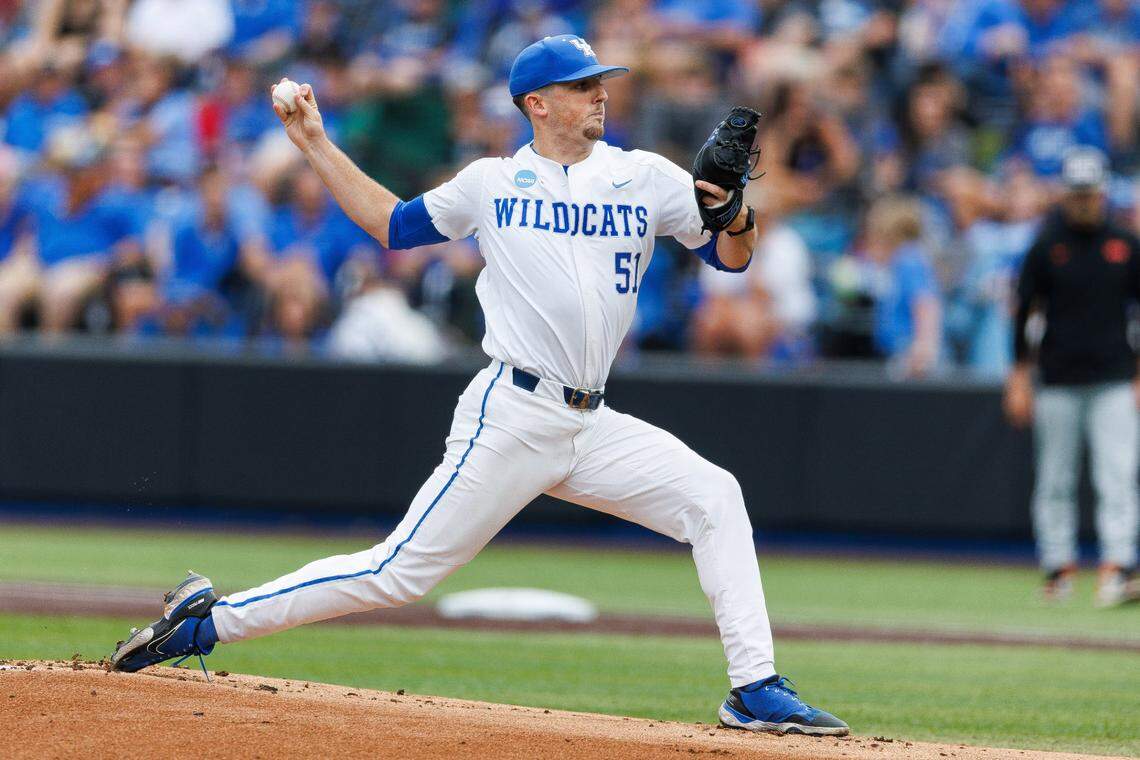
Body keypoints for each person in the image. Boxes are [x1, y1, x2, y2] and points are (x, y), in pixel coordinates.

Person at [109, 35, 850, 736]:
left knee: (715, 495)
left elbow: (732, 256)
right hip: (514, 414)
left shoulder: (644, 176)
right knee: (398, 572)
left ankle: (754, 689)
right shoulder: (492, 183)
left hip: (591, 424)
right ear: (537, 103)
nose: (599, 96)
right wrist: (313, 142)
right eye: (582, 86)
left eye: (600, 85)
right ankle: (207, 622)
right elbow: (390, 225)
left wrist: (734, 210)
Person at [1003, 146, 1140, 607]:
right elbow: (1023, 313)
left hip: (1114, 376)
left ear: (1102, 193)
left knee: (1117, 475)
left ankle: (1118, 568)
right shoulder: (1046, 246)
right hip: (1059, 376)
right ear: (1066, 194)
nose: (1084, 202)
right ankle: (1057, 568)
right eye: (1077, 194)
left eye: (1090, 194)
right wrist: (1019, 375)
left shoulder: (1126, 244)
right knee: (1055, 478)